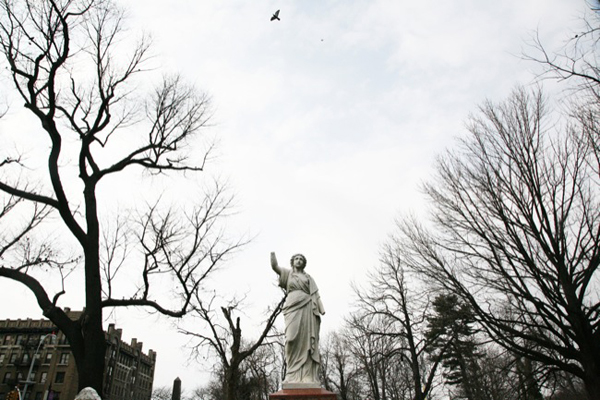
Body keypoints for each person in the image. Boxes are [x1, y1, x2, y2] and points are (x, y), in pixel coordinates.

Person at [270, 252, 325, 386]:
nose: (299, 261)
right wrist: (272, 254)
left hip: (307, 308)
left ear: (304, 263)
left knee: (306, 341)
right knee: (290, 339)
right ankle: (291, 374)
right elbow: (275, 266)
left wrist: (321, 308)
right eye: (296, 259)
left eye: (301, 259)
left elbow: (316, 294)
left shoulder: (308, 278)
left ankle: (307, 376)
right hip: (292, 308)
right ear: (292, 262)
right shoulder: (288, 274)